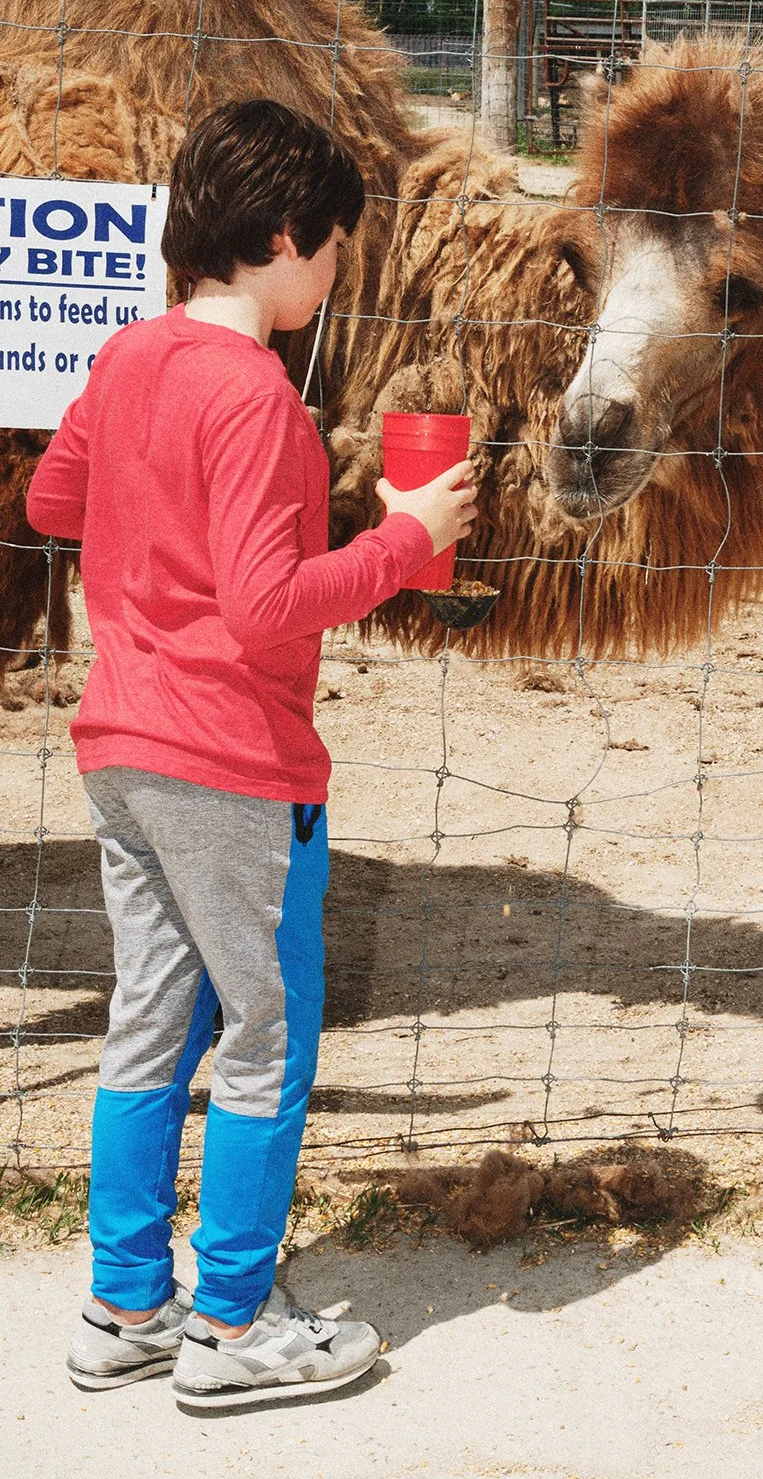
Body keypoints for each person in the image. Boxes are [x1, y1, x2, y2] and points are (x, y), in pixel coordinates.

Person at [30, 99, 476, 1409]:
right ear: (285, 236)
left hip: (120, 747)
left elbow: (59, 500)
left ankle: (125, 1307)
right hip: (230, 763)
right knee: (266, 1040)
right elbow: (269, 602)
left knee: (145, 1031)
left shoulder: (129, 359)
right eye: (334, 246)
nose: (337, 271)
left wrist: (149, 514)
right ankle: (230, 1324)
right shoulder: (267, 405)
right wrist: (404, 532)